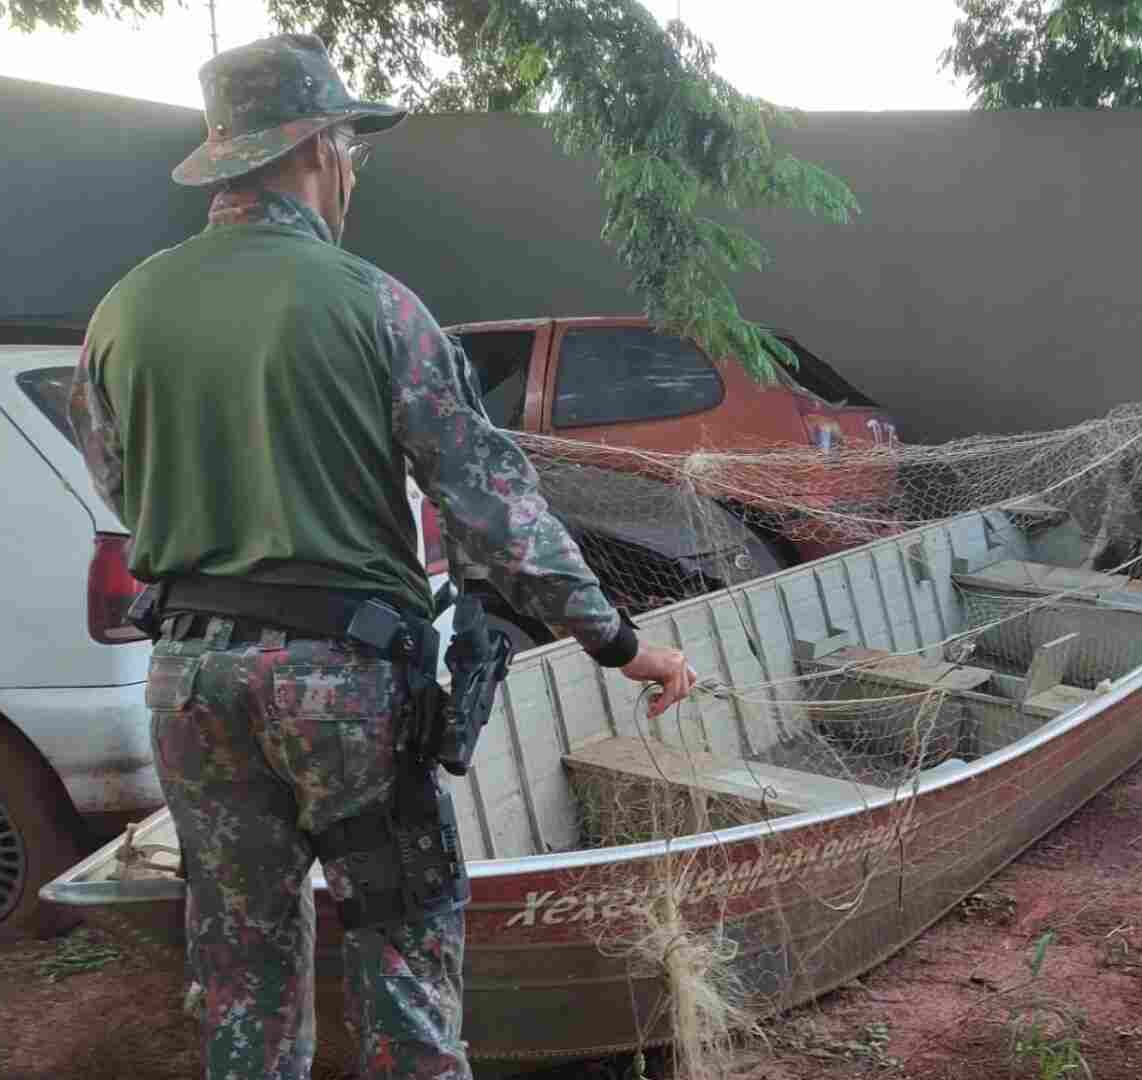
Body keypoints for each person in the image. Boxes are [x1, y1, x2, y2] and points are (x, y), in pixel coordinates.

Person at [66, 34, 696, 1079]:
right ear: (316, 147)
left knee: (243, 974)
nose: (356, 168)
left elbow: (122, 491)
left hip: (187, 685)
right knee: (401, 957)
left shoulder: (121, 313)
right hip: (338, 687)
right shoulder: (371, 303)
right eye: (352, 146)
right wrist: (620, 642)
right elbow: (493, 507)